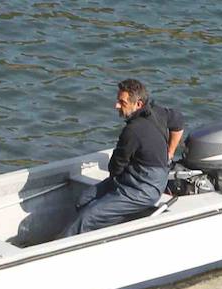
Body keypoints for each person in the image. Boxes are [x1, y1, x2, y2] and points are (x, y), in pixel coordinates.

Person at [60, 78, 171, 238]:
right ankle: (94, 232)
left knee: (88, 216)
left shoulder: (132, 131)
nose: (116, 106)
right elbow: (178, 120)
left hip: (143, 188)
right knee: (83, 199)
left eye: (122, 102)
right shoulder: (157, 112)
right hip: (130, 178)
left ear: (138, 104)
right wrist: (171, 152)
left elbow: (115, 167)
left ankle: (64, 244)